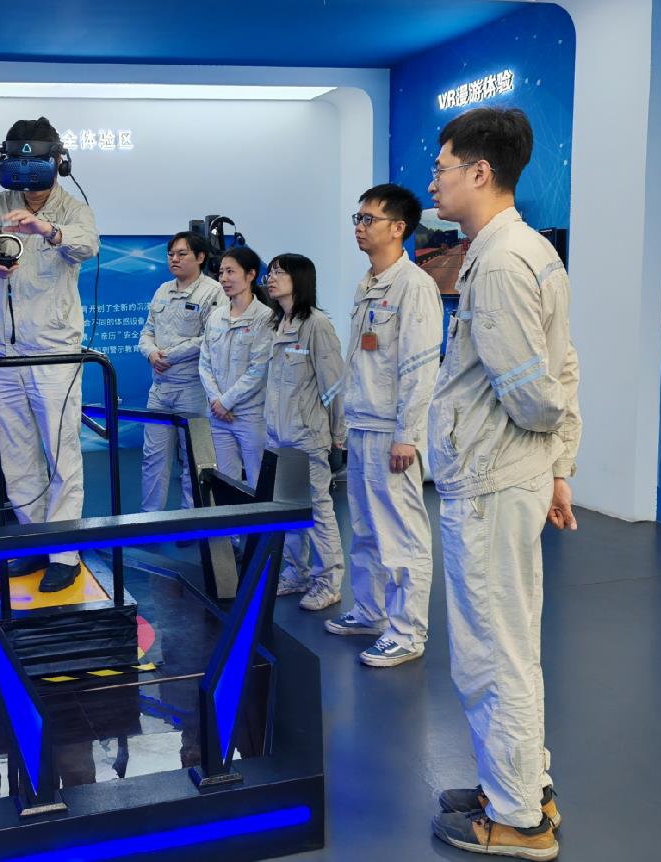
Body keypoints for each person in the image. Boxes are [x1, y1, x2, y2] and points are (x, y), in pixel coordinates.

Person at [425, 108, 580, 861]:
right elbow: (565, 366)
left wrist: (544, 449)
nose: (433, 183)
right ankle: (519, 784)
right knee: (508, 643)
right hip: (506, 472)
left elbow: (536, 392)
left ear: (479, 172)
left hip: (489, 478)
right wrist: (557, 467)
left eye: (441, 168)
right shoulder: (528, 251)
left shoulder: (499, 263)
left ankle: (518, 820)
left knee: (490, 653)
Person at [0, 117, 99, 593]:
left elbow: (88, 244)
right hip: (5, 352)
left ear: (58, 162)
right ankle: (35, 540)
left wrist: (48, 230)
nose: (25, 173)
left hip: (53, 353)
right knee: (17, 455)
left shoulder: (74, 208)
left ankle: (64, 552)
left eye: (35, 162)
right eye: (17, 162)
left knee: (61, 454)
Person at [324, 184, 443, 669]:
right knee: (367, 528)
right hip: (363, 423)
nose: (359, 226)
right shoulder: (368, 284)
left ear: (398, 228)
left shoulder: (414, 286)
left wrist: (407, 436)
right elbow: (361, 359)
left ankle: (407, 632)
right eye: (357, 218)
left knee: (401, 532)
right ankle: (371, 612)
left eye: (368, 219)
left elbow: (420, 367)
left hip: (392, 430)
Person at [261, 254, 346, 604]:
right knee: (289, 508)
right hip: (278, 436)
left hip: (307, 436)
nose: (271, 278)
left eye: (280, 273)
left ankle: (329, 582)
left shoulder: (317, 325)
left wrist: (339, 438)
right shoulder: (276, 324)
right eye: (270, 272)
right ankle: (297, 572)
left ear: (300, 279)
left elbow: (334, 386)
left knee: (318, 510)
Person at [138, 232, 224, 512]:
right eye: (171, 254)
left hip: (193, 389)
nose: (174, 259)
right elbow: (147, 331)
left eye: (182, 254)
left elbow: (210, 338)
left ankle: (191, 519)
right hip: (160, 388)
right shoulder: (162, 290)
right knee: (153, 457)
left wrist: (169, 355)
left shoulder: (213, 292)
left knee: (195, 460)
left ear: (200, 257)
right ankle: (150, 518)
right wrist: (151, 352)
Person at [198, 246, 273, 489]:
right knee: (226, 485)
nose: (224, 278)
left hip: (250, 415)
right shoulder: (216, 316)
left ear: (251, 275)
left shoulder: (265, 317)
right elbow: (205, 363)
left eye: (231, 271)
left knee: (257, 482)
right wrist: (215, 400)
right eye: (221, 272)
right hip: (218, 416)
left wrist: (226, 402)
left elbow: (258, 370)